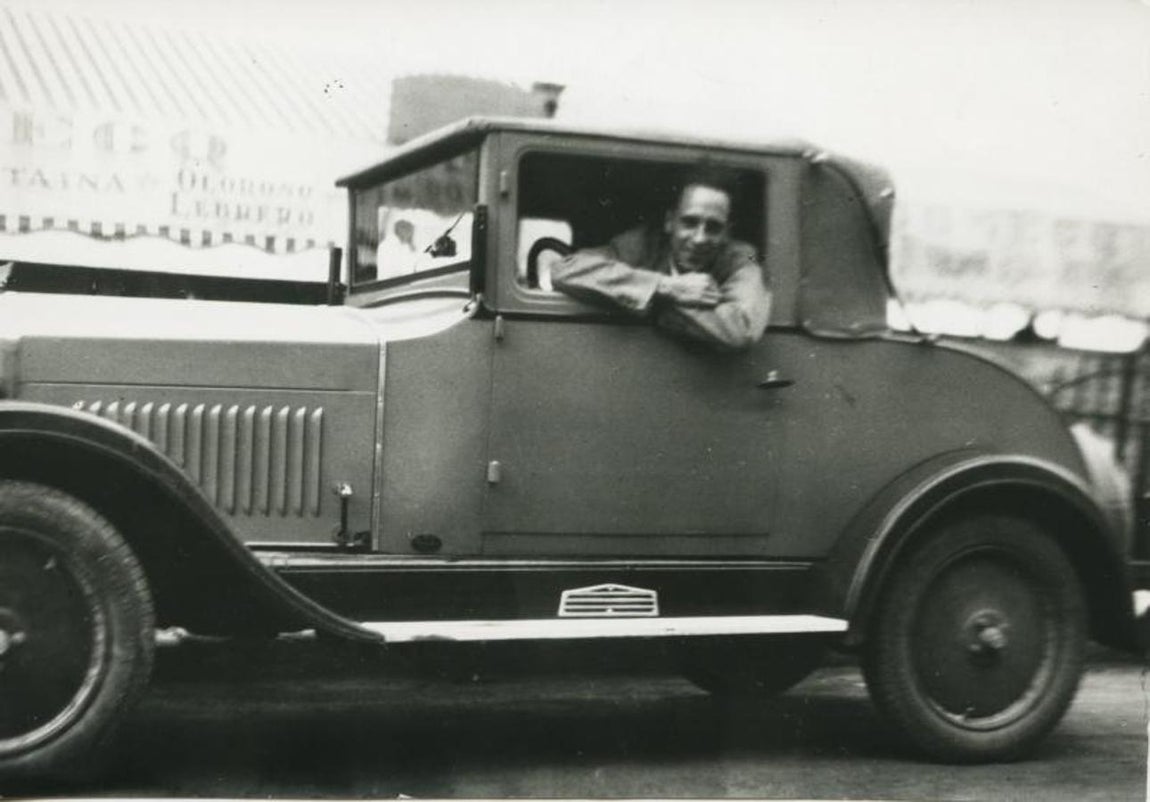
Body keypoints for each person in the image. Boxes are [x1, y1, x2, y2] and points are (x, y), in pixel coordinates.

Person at [550, 172, 771, 350]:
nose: (699, 238)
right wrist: (665, 287)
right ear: (669, 222)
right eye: (689, 222)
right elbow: (564, 269)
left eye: (713, 227)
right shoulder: (641, 244)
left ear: (727, 234)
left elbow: (742, 328)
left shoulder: (742, 258)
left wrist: (649, 301)